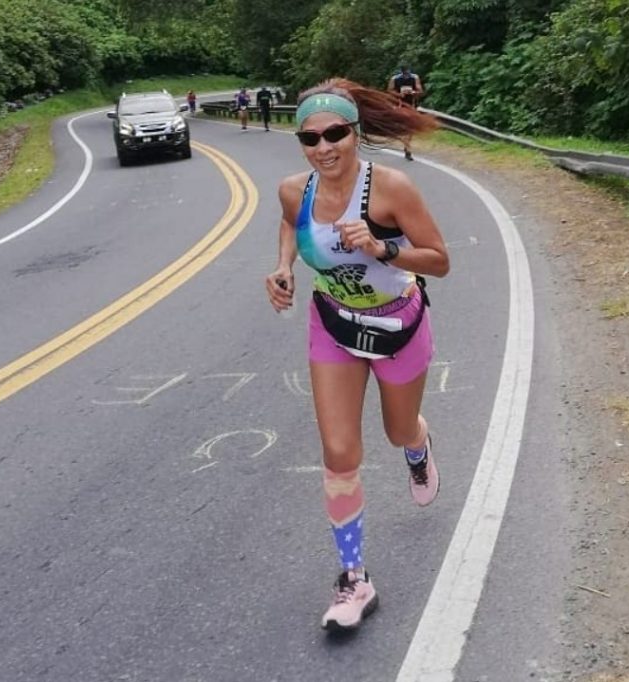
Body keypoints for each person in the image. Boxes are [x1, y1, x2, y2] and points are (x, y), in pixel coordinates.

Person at [264, 78, 448, 632]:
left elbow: (438, 259)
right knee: (339, 452)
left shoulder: (392, 189)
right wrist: (283, 268)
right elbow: (291, 227)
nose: (323, 147)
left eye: (335, 133)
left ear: (356, 133)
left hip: (398, 323)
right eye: (310, 138)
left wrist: (382, 245)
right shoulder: (295, 191)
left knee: (397, 431)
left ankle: (418, 445)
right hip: (335, 322)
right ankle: (353, 578)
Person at [387, 64, 425, 160]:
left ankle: (407, 148)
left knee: (409, 127)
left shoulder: (415, 78)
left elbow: (420, 90)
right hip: (399, 105)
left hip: (411, 105)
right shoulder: (394, 79)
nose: (406, 76)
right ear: (401, 72)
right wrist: (399, 94)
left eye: (408, 74)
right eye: (405, 74)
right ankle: (407, 146)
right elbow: (389, 91)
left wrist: (414, 92)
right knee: (404, 127)